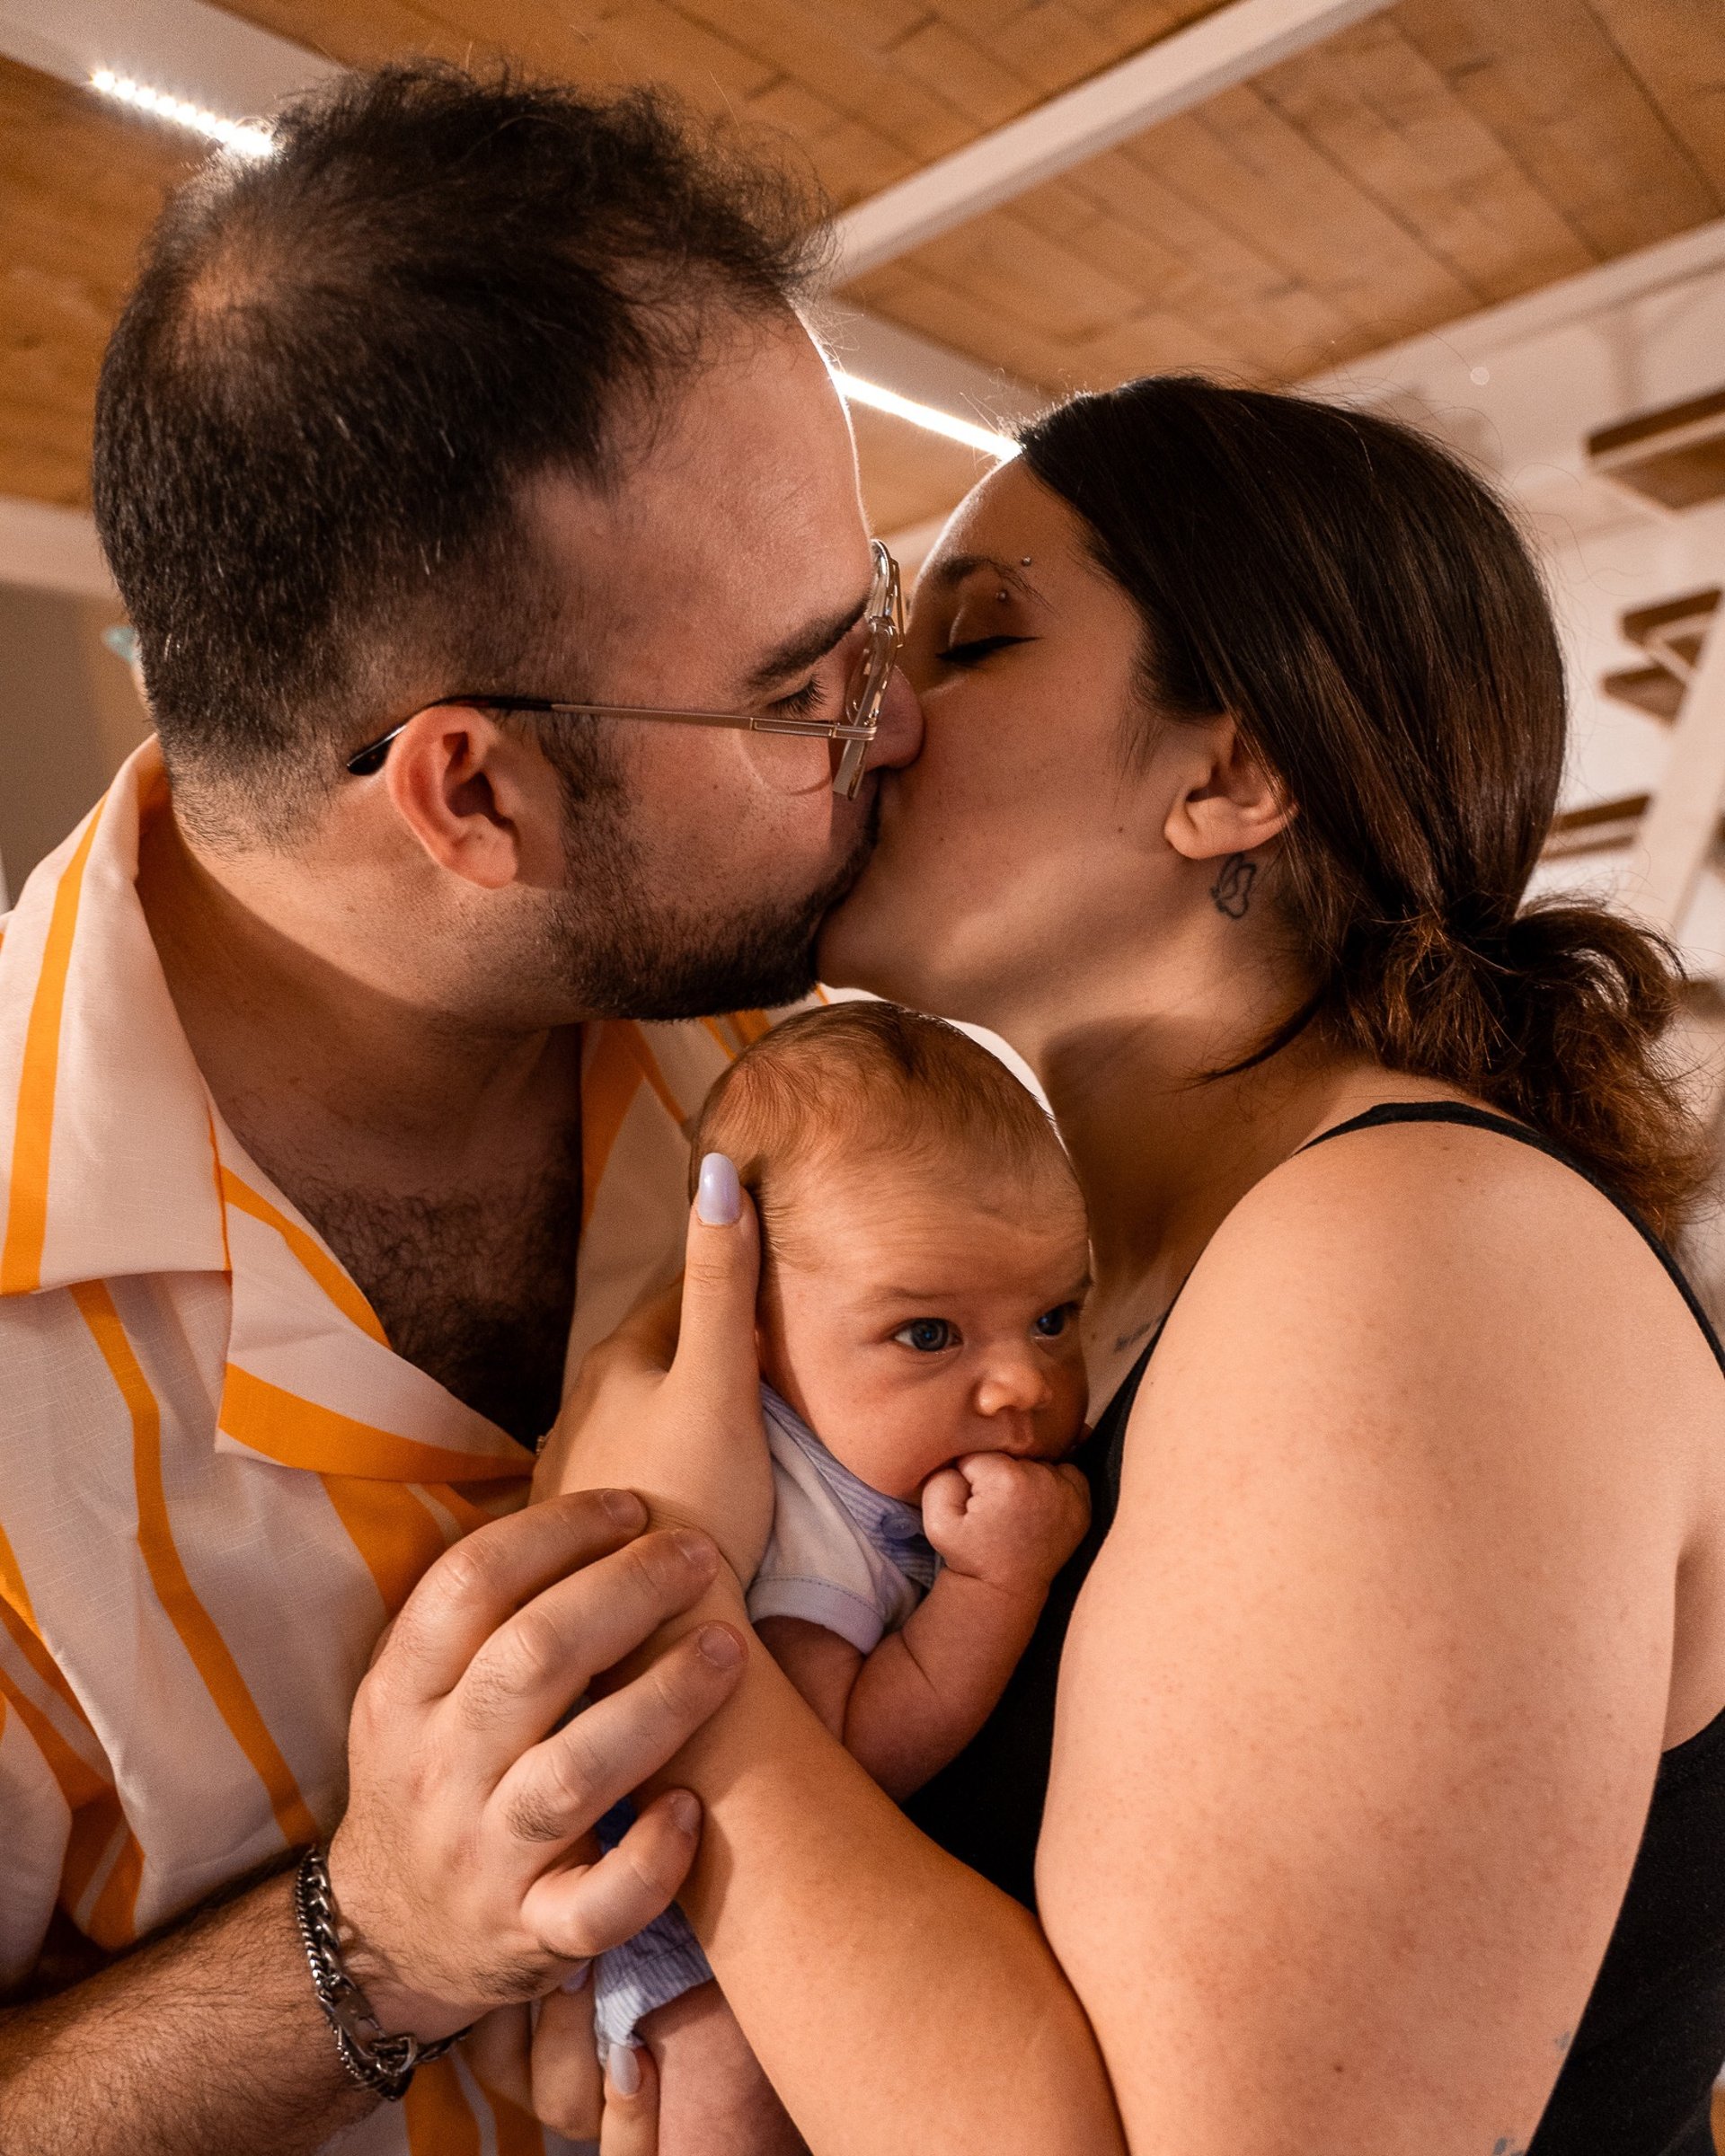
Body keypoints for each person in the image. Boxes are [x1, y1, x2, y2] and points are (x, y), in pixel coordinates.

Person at [544, 376, 1725, 2155]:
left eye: (979, 640)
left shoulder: (1410, 1256)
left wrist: (679, 1640)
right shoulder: (1169, 1272)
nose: (876, 719)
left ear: (1235, 775)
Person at [0, 61, 918, 2156]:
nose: (895, 723)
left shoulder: (779, 1047)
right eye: (802, 691)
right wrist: (373, 1937)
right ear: (471, 791)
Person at [572, 1003, 1090, 2138]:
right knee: (724, 2088)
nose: (1023, 1385)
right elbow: (832, 1762)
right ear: (751, 1326)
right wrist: (995, 1591)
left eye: (1054, 1316)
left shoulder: (894, 1457)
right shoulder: (807, 1511)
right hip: (703, 1920)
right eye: (928, 1335)